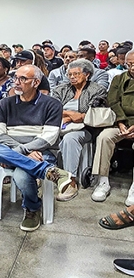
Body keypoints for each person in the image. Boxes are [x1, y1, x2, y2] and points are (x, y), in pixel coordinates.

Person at [0, 65, 76, 231]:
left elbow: (49, 137)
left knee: (22, 175)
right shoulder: (5, 104)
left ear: (36, 82)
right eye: (15, 78)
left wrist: (13, 154)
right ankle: (49, 172)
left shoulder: (52, 104)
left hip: (41, 152)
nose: (16, 82)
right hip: (14, 151)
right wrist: (23, 151)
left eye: (23, 79)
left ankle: (32, 208)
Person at [51, 59, 108, 200]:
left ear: (87, 74)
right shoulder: (61, 89)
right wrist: (72, 115)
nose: (72, 77)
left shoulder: (97, 90)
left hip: (86, 129)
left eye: (76, 74)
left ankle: (70, 182)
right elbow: (53, 109)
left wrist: (68, 115)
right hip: (60, 125)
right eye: (69, 74)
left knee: (70, 139)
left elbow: (89, 114)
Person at [91, 49, 134, 207]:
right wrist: (121, 122)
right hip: (120, 122)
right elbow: (113, 101)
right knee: (104, 137)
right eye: (129, 64)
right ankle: (102, 181)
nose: (132, 67)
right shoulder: (119, 78)